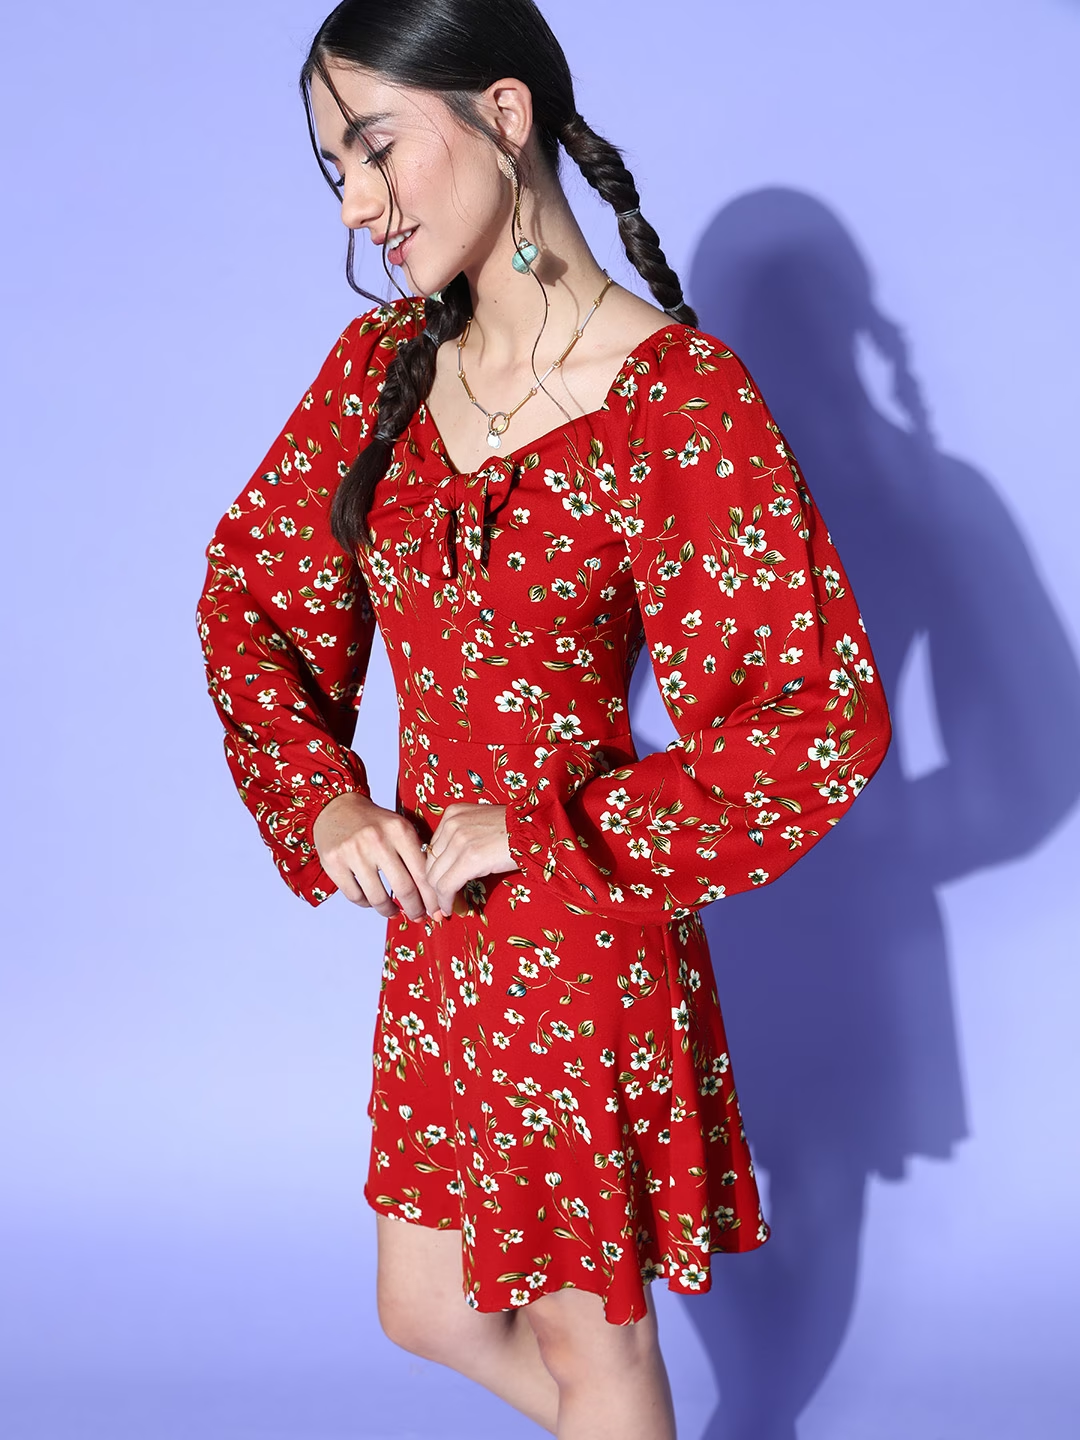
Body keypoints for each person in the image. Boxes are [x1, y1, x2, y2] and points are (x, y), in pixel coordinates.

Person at [194, 3, 892, 1436]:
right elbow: (252, 597)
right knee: (426, 1308)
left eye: (375, 148)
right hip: (440, 944)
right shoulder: (383, 369)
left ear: (504, 115)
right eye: (336, 167)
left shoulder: (675, 400)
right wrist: (325, 799)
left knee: (597, 1351)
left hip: (582, 936)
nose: (357, 204)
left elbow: (813, 718)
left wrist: (549, 831)